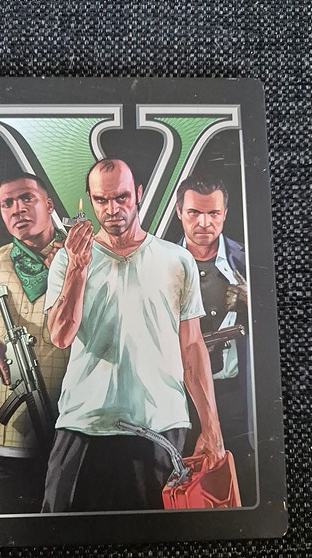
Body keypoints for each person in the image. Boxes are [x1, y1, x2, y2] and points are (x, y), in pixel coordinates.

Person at [41, 159, 225, 513]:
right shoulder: (68, 260)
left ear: (138, 193)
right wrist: (78, 267)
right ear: (91, 200)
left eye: (122, 197)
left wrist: (211, 427)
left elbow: (192, 346)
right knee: (58, 537)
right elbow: (61, 336)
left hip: (159, 428)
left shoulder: (177, 260)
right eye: (101, 200)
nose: (112, 209)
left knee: (157, 540)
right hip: (83, 424)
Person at [0, 173, 70, 514]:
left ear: (49, 204)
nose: (17, 209)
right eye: (7, 203)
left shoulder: (83, 259)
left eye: (27, 198)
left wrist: (73, 271)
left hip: (66, 439)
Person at [175, 174, 256, 506]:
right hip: (180, 397)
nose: (204, 223)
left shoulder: (249, 260)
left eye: (213, 213)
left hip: (235, 395)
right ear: (179, 212)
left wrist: (255, 302)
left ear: (225, 213)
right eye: (194, 212)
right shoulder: (161, 262)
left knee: (239, 488)